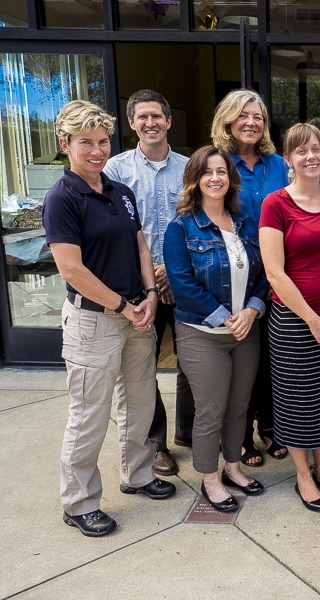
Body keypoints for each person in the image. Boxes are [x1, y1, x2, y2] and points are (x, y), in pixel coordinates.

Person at [44, 100, 176, 537]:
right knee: (90, 414)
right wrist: (123, 305)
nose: (97, 151)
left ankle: (137, 474)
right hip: (94, 321)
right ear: (66, 145)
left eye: (103, 141)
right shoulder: (62, 198)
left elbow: (140, 245)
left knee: (138, 402)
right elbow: (72, 270)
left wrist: (151, 293)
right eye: (86, 143)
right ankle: (79, 502)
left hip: (138, 313)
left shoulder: (120, 190)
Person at [260, 123, 320, 512]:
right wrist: (312, 319)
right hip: (294, 322)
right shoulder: (276, 204)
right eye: (301, 151)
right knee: (298, 399)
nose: (311, 156)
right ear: (288, 159)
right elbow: (274, 273)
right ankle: (303, 474)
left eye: (316, 148)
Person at [164, 145, 266, 513]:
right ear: (195, 179)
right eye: (207, 172)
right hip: (202, 335)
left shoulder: (245, 222)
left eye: (222, 171)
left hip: (246, 332)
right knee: (211, 409)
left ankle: (233, 469)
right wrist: (226, 316)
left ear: (230, 178)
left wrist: (252, 310)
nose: (215, 178)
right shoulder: (181, 228)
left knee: (239, 406)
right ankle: (209, 479)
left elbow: (265, 273)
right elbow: (181, 285)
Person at [104, 89, 193, 476]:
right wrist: (151, 277)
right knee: (142, 370)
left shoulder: (191, 168)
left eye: (157, 116)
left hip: (185, 282)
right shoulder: (115, 171)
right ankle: (156, 445)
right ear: (132, 123)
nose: (150, 123)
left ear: (169, 121)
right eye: (142, 117)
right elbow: (113, 232)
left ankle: (189, 433)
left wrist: (173, 273)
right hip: (140, 289)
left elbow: (198, 226)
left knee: (194, 362)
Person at [211, 88, 290, 465]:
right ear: (228, 119)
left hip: (279, 273)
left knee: (273, 358)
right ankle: (239, 434)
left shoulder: (278, 165)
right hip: (233, 274)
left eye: (257, 116)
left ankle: (271, 426)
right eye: (243, 115)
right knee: (241, 359)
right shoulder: (216, 164)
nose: (251, 122)